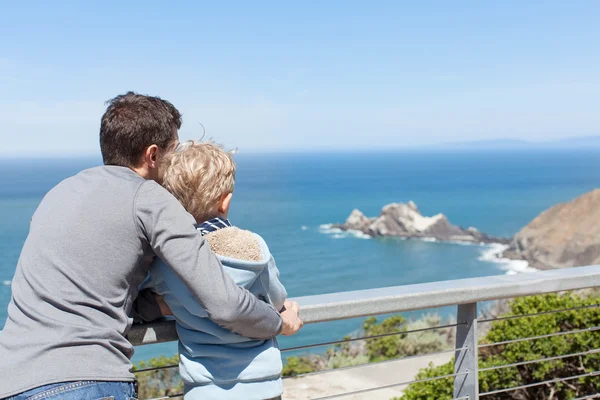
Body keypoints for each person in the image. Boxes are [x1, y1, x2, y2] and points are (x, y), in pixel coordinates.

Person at [0, 92, 303, 400]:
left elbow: (89, 293)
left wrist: (157, 304)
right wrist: (280, 322)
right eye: (174, 150)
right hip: (87, 380)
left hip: (11, 380)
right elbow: (225, 304)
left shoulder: (59, 193)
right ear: (153, 155)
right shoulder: (149, 198)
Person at [144, 141, 287, 400]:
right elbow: (276, 300)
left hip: (204, 390)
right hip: (262, 387)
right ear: (226, 201)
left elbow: (152, 296)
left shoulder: (165, 261)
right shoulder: (253, 246)